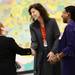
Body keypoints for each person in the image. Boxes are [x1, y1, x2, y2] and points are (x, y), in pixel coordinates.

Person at [28, 3, 60, 75]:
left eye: (34, 12)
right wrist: (32, 48)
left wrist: (53, 51)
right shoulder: (32, 26)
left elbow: (57, 38)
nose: (32, 14)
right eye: (31, 13)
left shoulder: (52, 22)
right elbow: (34, 41)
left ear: (40, 10)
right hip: (41, 55)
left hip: (53, 54)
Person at [48, 6, 75, 75]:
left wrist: (57, 57)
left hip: (70, 65)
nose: (61, 15)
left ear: (68, 14)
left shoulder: (70, 27)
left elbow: (71, 47)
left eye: (63, 13)